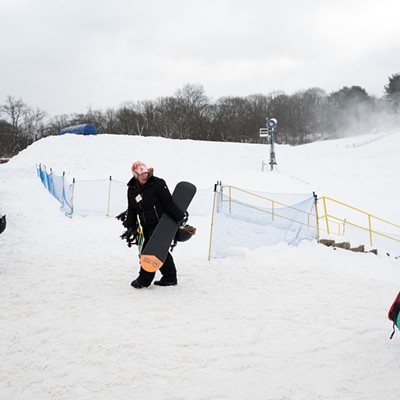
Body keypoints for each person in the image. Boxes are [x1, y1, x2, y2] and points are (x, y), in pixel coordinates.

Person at [122, 161, 186, 289]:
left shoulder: (157, 183)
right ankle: (169, 277)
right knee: (160, 251)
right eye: (141, 174)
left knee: (150, 251)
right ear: (135, 176)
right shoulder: (132, 190)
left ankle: (144, 280)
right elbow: (132, 208)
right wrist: (130, 225)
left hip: (161, 224)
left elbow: (169, 203)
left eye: (145, 173)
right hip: (146, 226)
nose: (144, 176)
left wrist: (180, 218)